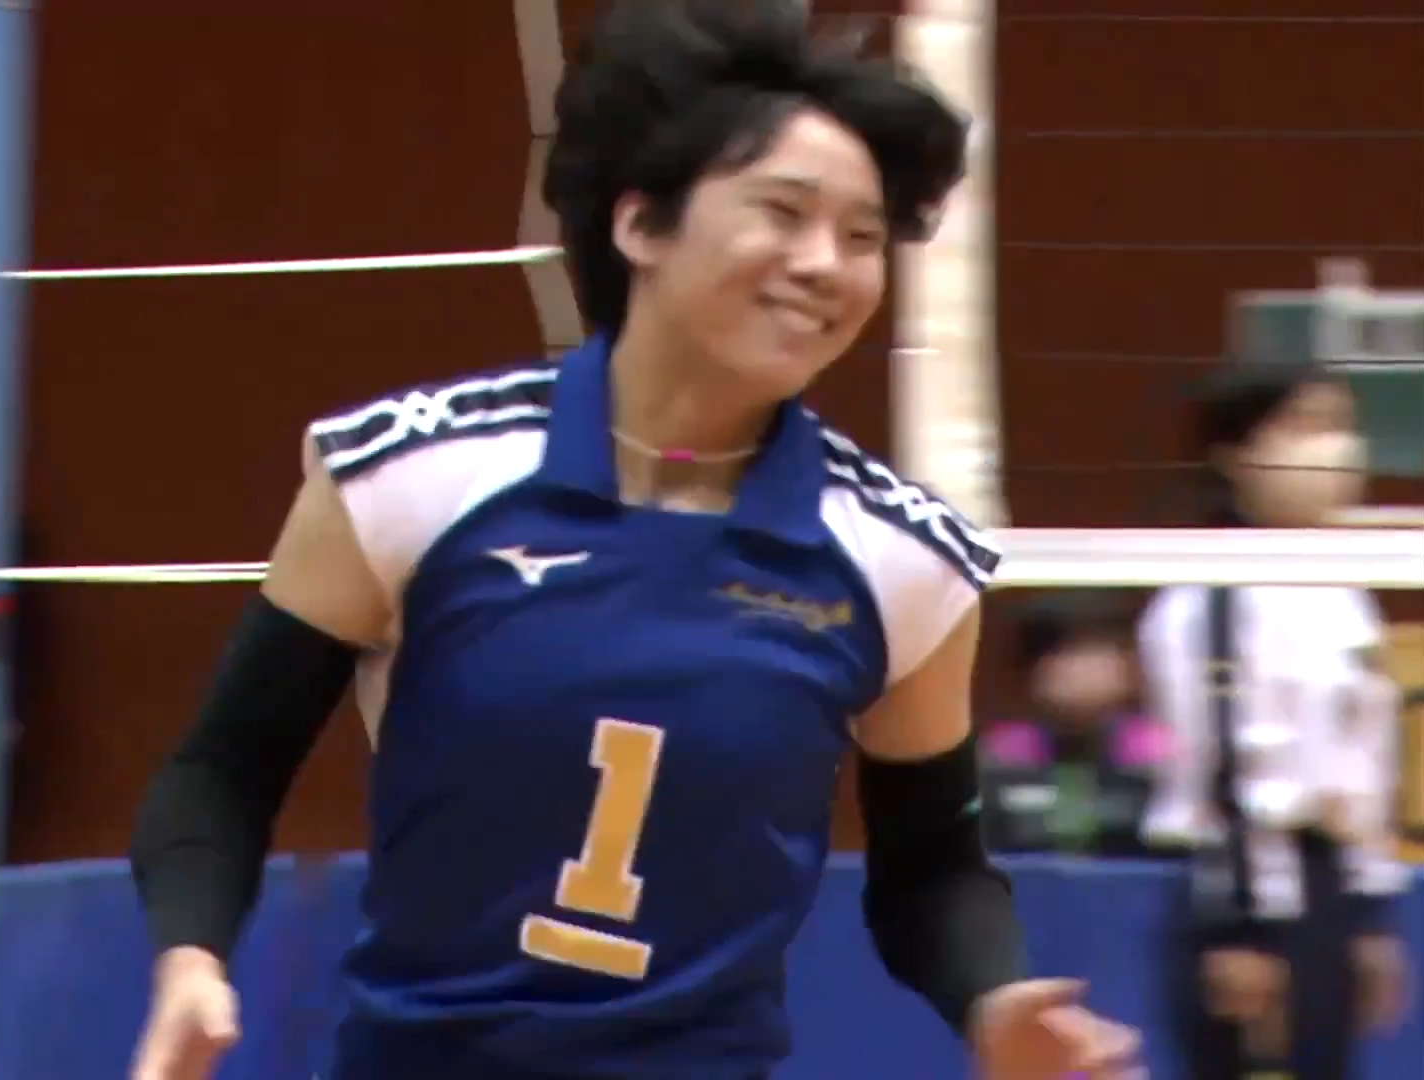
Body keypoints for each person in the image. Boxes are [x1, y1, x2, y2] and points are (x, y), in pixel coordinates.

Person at [128, 3, 1140, 1078]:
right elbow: (223, 769)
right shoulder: (412, 476)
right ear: (642, 224)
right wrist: (190, 963)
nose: (826, 265)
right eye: (784, 213)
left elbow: (932, 866)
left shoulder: (903, 562)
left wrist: (994, 999)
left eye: (861, 237)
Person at [1142, 361, 1411, 1080]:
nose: (1334, 446)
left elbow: (1359, 766)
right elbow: (1224, 768)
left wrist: (1370, 915)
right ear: (1235, 454)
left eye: (1340, 425)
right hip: (1249, 899)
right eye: (1305, 424)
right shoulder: (1211, 595)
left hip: (1328, 889)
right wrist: (1237, 932)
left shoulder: (1342, 592)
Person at [981, 593, 1166, 858]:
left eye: (1099, 649)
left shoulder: (1153, 748)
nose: (1083, 669)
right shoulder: (1007, 748)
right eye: (1065, 651)